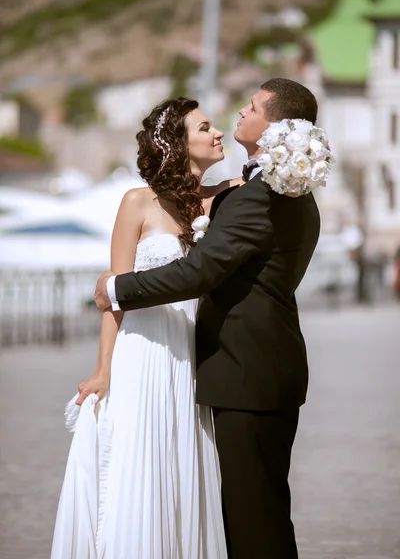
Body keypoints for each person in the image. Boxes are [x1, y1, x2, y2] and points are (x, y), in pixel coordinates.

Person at [95, 78, 321, 559]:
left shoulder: (261, 195)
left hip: (245, 372)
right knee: (250, 511)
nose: (239, 113)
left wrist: (115, 288)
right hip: (215, 366)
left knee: (252, 522)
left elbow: (199, 272)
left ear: (276, 125)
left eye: (253, 106)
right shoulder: (268, 190)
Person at [51, 97, 232, 559]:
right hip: (144, 349)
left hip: (193, 353)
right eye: (205, 127)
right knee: (140, 460)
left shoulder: (225, 198)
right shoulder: (137, 202)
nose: (218, 133)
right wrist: (103, 370)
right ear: (178, 143)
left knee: (181, 461)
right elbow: (114, 295)